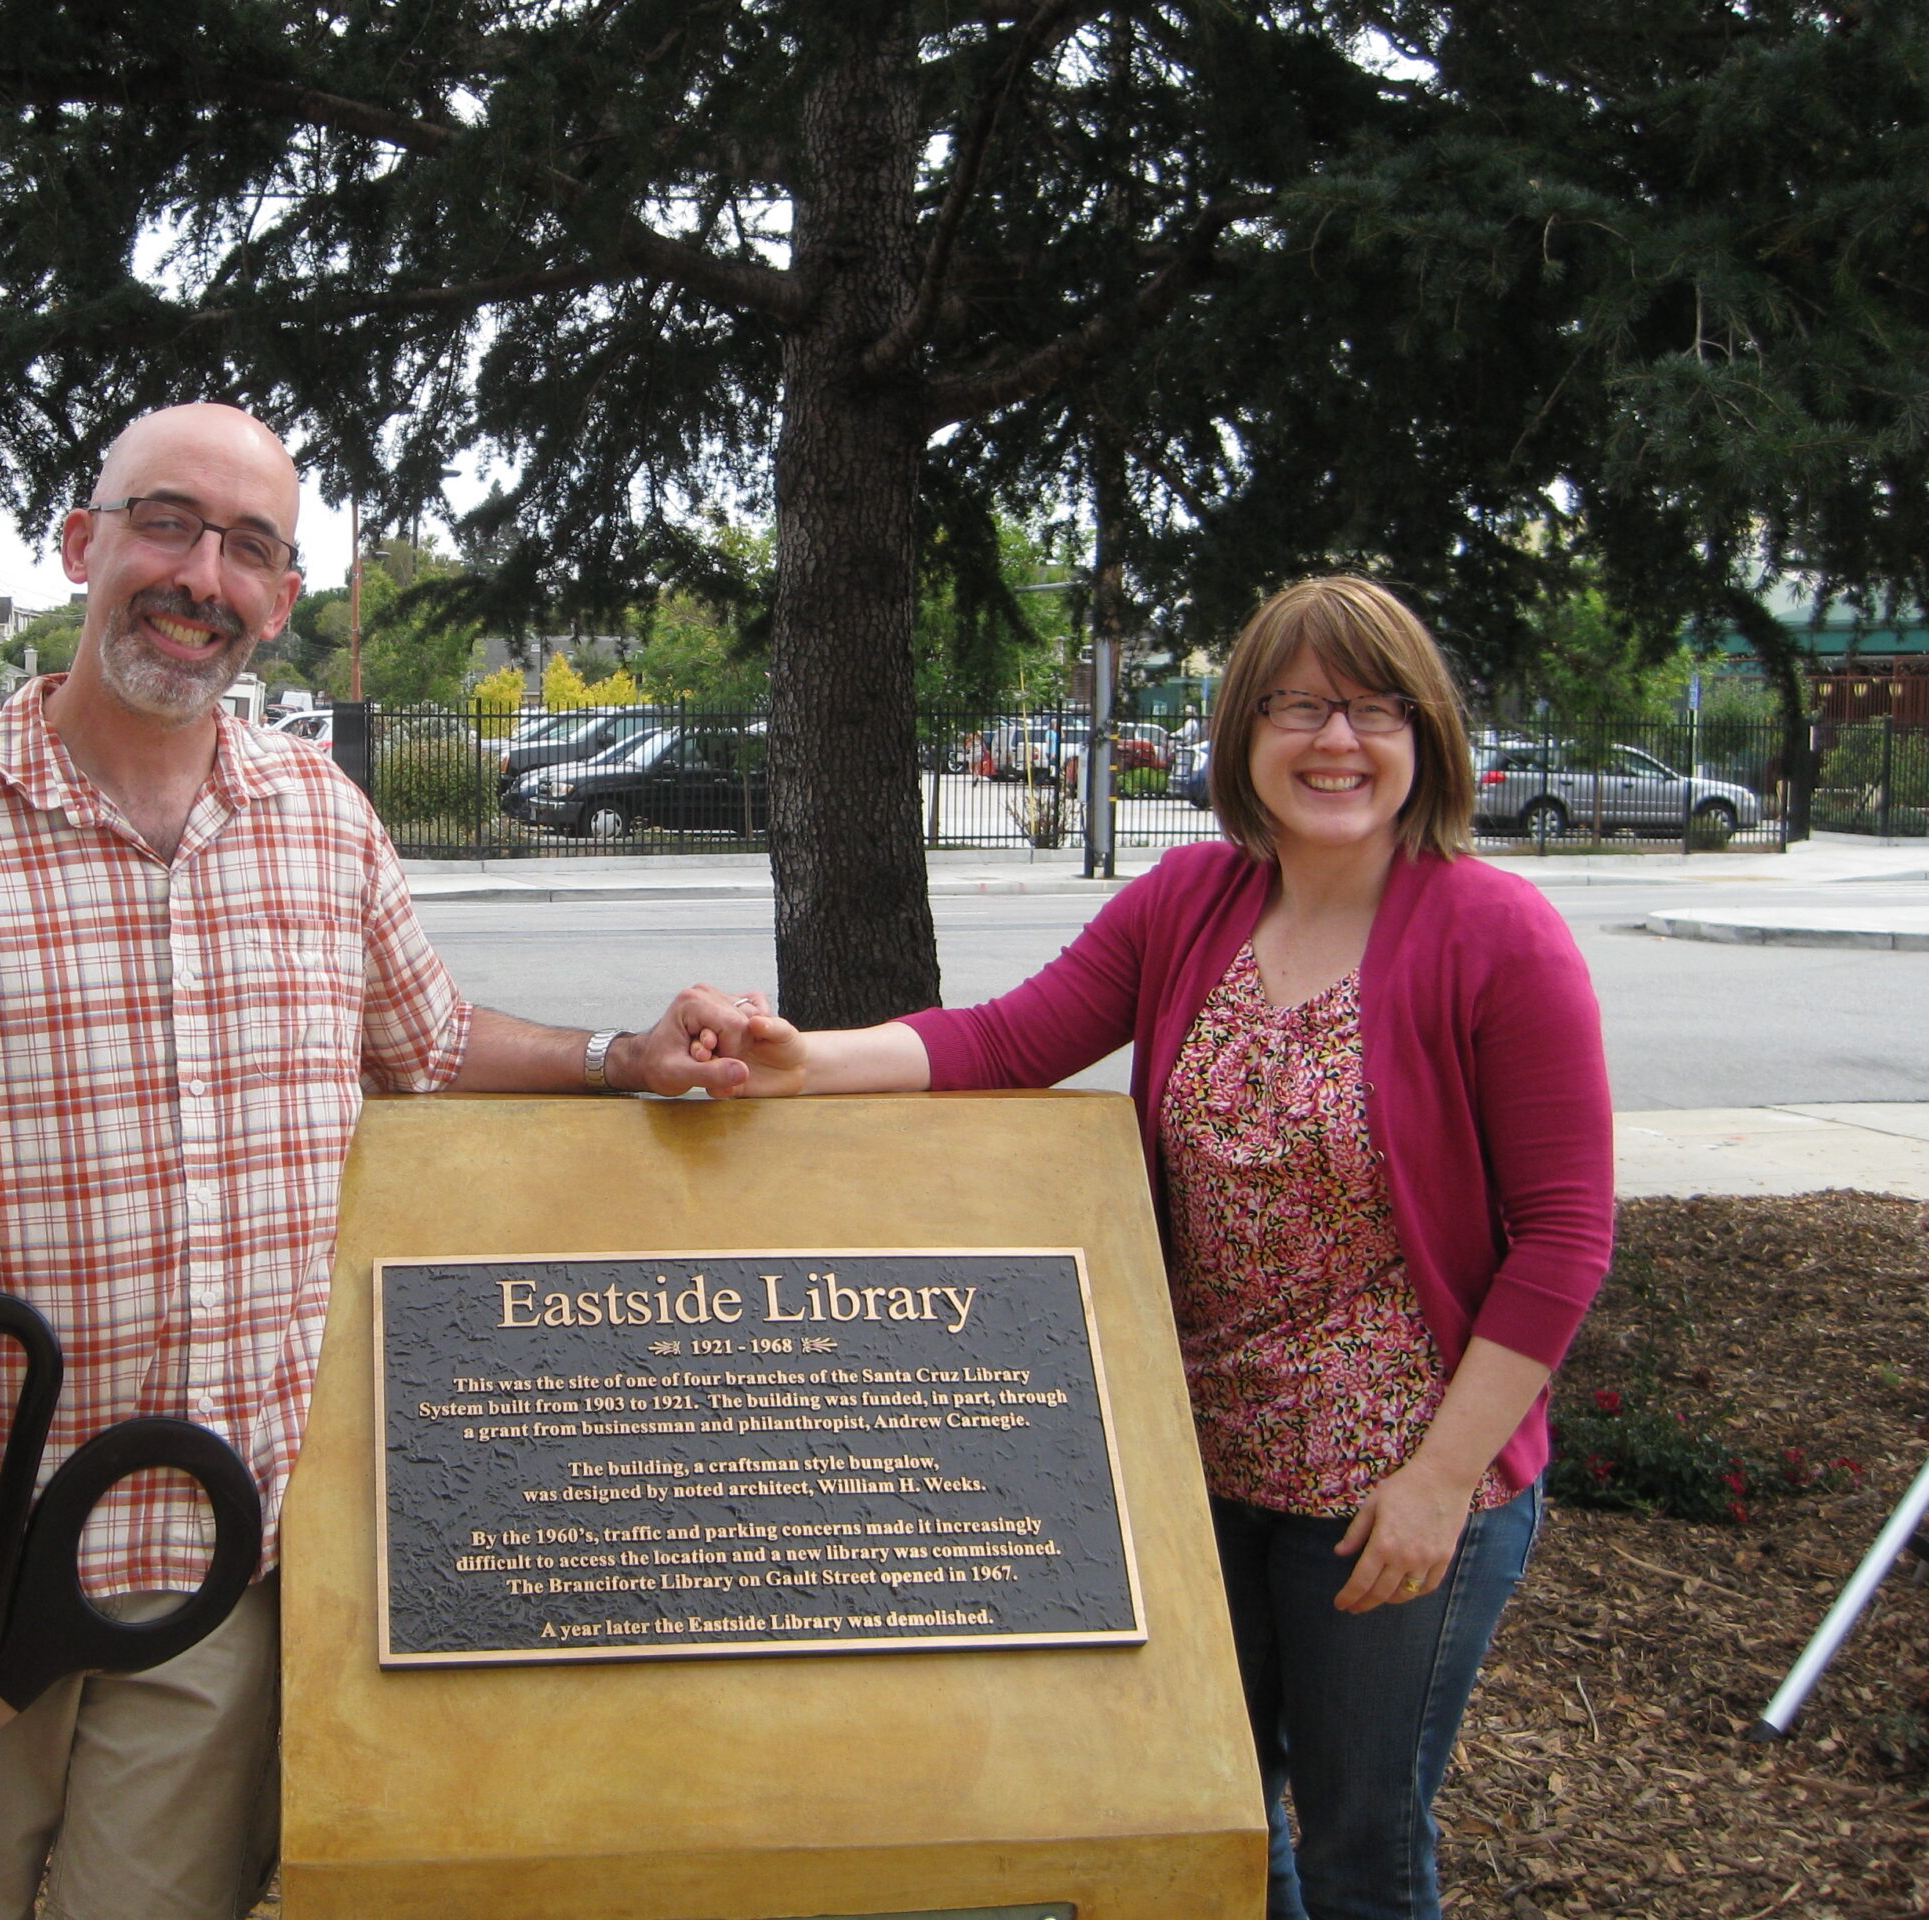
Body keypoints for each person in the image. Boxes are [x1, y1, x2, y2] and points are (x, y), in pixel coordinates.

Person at [0, 403, 752, 1920]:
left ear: (280, 598)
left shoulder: (320, 825)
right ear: (84, 545)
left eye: (250, 549)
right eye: (168, 524)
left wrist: (623, 1058)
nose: (202, 575)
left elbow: (433, 1042)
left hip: (221, 1579)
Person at [671, 577, 1613, 1920]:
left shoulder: (1495, 936)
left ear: (1425, 737)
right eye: (1297, 706)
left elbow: (1568, 1237)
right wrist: (799, 1062)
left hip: (1395, 1491)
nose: (1334, 740)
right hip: (1197, 1474)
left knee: (1361, 1844)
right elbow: (1006, 1038)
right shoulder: (1192, 902)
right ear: (1242, 737)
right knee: (1222, 1814)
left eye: (1370, 708)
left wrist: (1441, 1484)